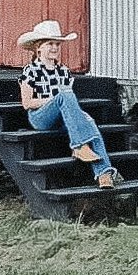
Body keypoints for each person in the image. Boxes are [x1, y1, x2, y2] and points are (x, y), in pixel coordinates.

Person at [17, 19, 121, 189]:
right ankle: (79, 146)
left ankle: (104, 174)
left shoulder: (63, 71)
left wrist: (73, 109)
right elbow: (27, 103)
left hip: (63, 118)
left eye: (57, 44)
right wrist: (55, 100)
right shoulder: (31, 71)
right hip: (40, 117)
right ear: (38, 48)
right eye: (50, 44)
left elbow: (69, 104)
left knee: (88, 121)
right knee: (65, 95)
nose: (54, 48)